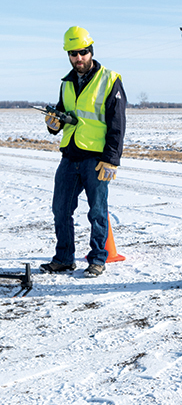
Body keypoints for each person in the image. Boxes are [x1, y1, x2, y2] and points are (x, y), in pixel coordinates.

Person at [41, 26, 126, 278]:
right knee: (60, 209)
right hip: (70, 156)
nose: (78, 58)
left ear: (91, 51)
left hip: (97, 159)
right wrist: (53, 124)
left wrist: (112, 159)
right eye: (73, 53)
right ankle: (64, 258)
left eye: (83, 52)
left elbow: (117, 124)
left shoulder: (110, 79)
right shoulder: (66, 83)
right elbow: (62, 113)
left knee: (97, 211)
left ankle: (98, 258)